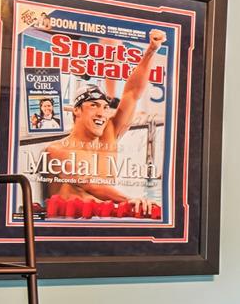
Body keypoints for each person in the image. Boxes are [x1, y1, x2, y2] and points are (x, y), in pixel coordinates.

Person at [35, 29, 165, 208]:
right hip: (69, 226)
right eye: (93, 105)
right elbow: (91, 185)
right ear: (77, 111)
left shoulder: (109, 134)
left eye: (105, 107)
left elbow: (132, 93)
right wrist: (128, 201)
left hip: (101, 219)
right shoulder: (56, 150)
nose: (102, 114)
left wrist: (151, 51)